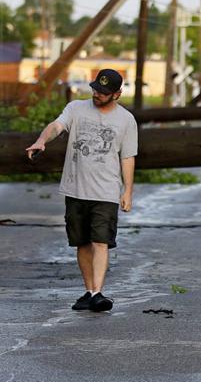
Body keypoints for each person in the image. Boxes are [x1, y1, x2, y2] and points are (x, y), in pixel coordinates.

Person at [26, 68, 138, 313]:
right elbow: (57, 126)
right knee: (82, 243)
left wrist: (127, 191)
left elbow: (127, 157)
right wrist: (41, 140)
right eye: (96, 89)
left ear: (117, 94)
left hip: (106, 191)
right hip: (75, 188)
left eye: (104, 92)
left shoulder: (126, 120)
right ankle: (89, 291)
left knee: (101, 241)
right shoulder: (75, 108)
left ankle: (98, 292)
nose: (98, 94)